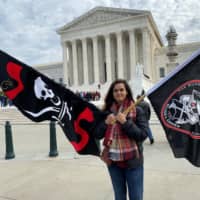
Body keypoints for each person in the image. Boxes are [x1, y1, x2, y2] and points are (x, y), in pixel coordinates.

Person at [94, 79, 148, 200]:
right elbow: (97, 134)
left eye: (121, 90)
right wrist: (105, 123)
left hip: (133, 162)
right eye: (116, 90)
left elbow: (143, 135)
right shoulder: (107, 112)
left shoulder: (137, 110)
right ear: (112, 94)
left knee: (136, 197)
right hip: (113, 163)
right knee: (119, 197)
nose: (119, 93)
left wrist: (125, 122)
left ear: (127, 92)